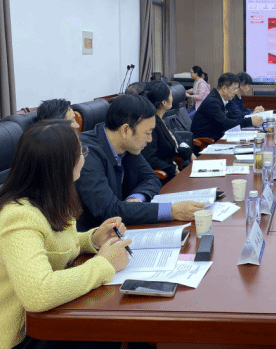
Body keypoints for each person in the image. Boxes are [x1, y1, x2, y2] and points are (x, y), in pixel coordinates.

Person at [0, 121, 131, 349]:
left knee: (105, 328)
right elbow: (38, 293)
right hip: (1, 341)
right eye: (80, 152)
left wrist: (92, 239)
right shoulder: (18, 216)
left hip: (35, 322)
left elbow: (56, 246)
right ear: (62, 166)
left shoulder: (52, 199)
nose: (83, 157)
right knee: (102, 330)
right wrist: (104, 264)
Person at [75, 94, 204, 231]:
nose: (150, 139)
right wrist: (171, 211)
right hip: (95, 237)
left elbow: (151, 178)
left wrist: (137, 198)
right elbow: (109, 210)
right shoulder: (86, 154)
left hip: (124, 228)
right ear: (126, 130)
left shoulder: (127, 144)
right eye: (147, 133)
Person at [141, 81, 193, 182]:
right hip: (163, 178)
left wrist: (189, 153)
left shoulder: (160, 120)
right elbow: (150, 158)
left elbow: (172, 143)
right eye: (170, 95)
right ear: (164, 102)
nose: (173, 98)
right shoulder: (152, 125)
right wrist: (173, 169)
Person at [191, 73, 263, 142]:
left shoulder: (220, 98)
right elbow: (225, 123)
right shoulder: (212, 102)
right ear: (224, 88)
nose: (236, 92)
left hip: (216, 137)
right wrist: (250, 121)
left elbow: (231, 119)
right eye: (234, 89)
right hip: (205, 143)